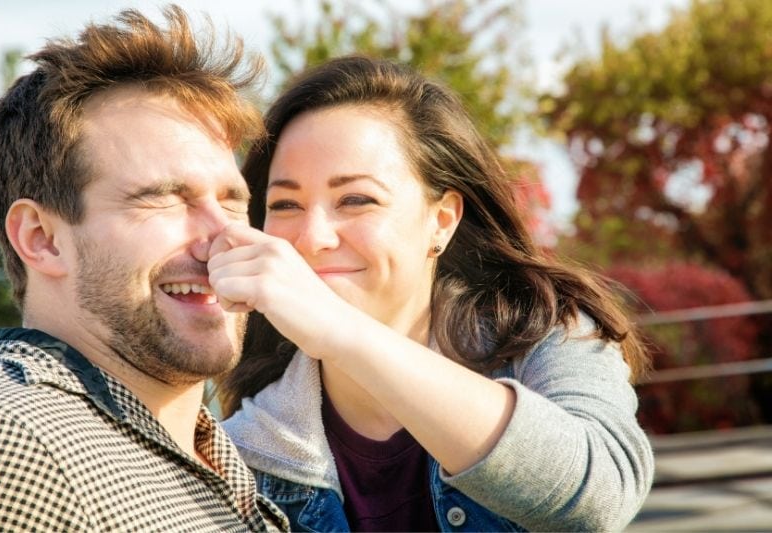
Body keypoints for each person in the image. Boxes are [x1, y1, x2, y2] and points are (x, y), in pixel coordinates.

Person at [209, 55, 655, 532]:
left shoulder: (544, 336)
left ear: (441, 220)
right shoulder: (246, 450)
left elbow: (599, 498)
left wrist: (343, 334)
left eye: (356, 199)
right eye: (285, 204)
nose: (313, 237)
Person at [0, 6, 287, 531]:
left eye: (233, 201)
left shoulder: (225, 451)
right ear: (41, 239)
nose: (223, 238)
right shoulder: (10, 439)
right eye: (164, 198)